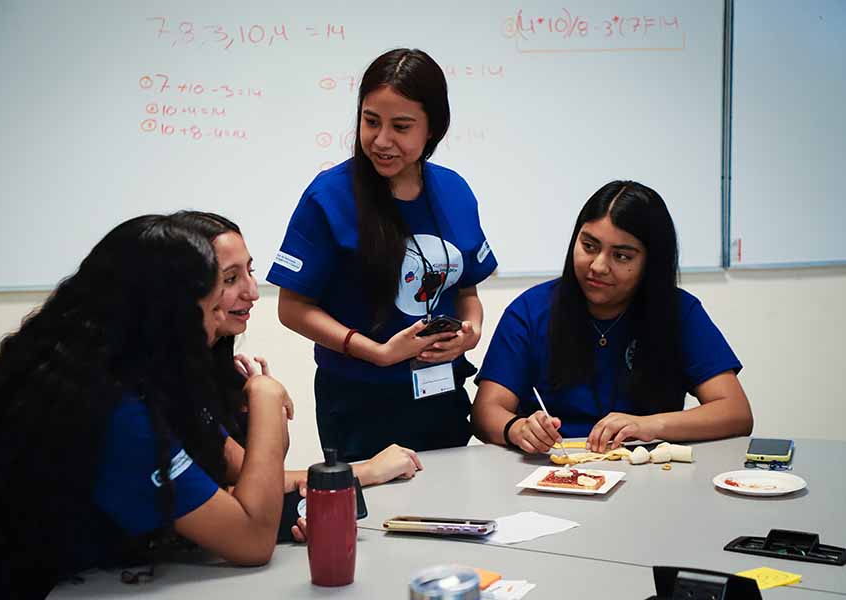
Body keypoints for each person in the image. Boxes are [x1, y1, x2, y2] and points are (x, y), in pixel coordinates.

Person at [0, 215, 290, 597]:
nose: (214, 328)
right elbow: (253, 540)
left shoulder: (84, 376)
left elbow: (235, 483)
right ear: (167, 319)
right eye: (210, 312)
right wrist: (266, 396)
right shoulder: (115, 414)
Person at [266, 49, 498, 462]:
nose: (381, 140)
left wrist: (471, 332)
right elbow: (293, 308)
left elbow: (467, 293)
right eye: (371, 121)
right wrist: (375, 352)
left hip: (442, 392)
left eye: (401, 126)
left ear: (433, 129)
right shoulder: (329, 195)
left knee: (451, 512)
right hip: (359, 401)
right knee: (376, 520)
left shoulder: (455, 191)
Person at [471, 181, 753, 454]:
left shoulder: (680, 312)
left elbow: (736, 413)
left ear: (650, 263)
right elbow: (485, 413)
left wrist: (650, 425)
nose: (598, 266)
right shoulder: (531, 311)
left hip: (647, 474)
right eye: (589, 246)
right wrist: (517, 428)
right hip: (553, 473)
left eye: (621, 256)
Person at [170, 211, 426, 503]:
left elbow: (267, 467)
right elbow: (249, 478)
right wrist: (368, 470)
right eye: (230, 279)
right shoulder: (170, 383)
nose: (252, 292)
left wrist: (268, 414)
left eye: (250, 272)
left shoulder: (222, 365)